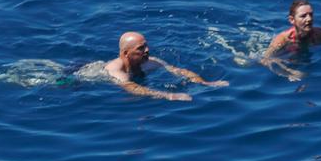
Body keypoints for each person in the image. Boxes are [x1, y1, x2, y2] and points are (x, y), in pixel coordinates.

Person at [76, 31, 227, 101]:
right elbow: (132, 88)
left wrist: (205, 83)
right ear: (126, 53)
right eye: (141, 48)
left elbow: (179, 71)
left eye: (146, 45)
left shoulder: (149, 61)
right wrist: (169, 95)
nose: (147, 50)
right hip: (80, 78)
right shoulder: (116, 71)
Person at [260, 0, 321, 80]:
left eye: (311, 14)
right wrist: (288, 72)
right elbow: (265, 60)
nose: (309, 19)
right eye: (303, 16)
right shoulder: (282, 39)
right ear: (292, 20)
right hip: (287, 56)